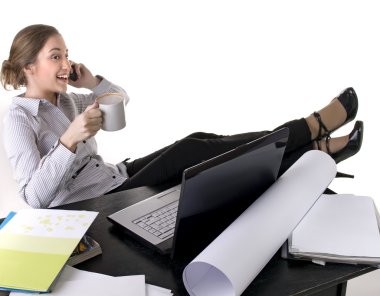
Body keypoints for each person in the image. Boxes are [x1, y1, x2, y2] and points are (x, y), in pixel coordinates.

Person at [1, 24, 364, 209]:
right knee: (192, 155)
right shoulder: (19, 117)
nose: (66, 64)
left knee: (197, 139)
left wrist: (92, 81)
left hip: (117, 175)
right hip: (95, 203)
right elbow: (34, 197)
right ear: (28, 66)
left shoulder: (67, 102)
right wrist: (70, 140)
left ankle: (309, 145)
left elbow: (120, 101)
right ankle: (311, 136)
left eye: (67, 55)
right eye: (55, 57)